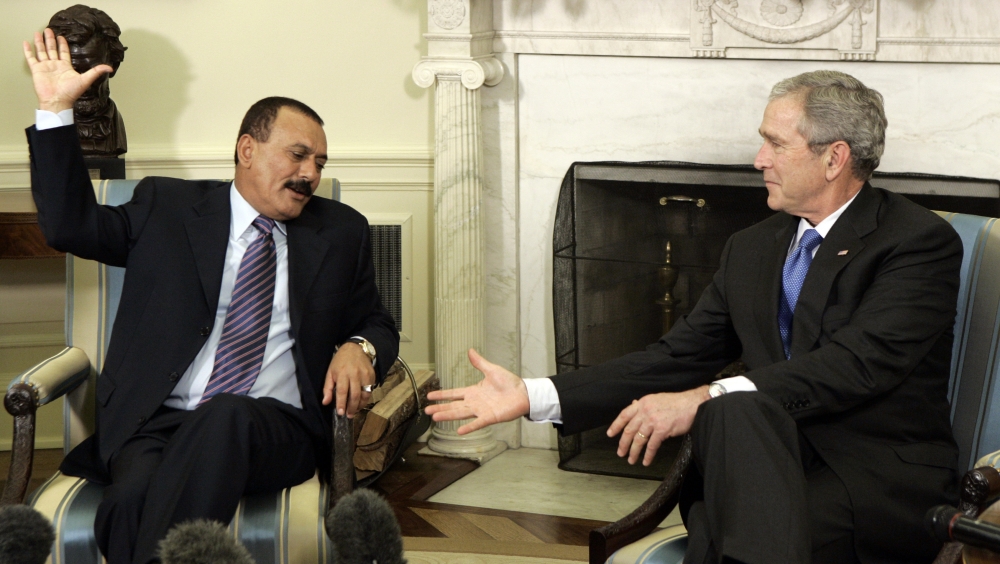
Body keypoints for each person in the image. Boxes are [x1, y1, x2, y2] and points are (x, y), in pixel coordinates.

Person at [427, 70, 962, 563]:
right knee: (734, 418)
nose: (758, 159)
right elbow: (674, 357)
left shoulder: (915, 242)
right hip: (759, 468)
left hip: (867, 476)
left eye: (775, 143)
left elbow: (854, 366)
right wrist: (533, 394)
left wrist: (704, 397)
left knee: (724, 453)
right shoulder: (752, 247)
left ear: (834, 157)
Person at [23, 28, 399, 564]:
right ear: (247, 149)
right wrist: (56, 110)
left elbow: (377, 321)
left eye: (320, 162)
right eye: (298, 155)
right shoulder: (167, 208)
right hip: (157, 422)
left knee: (227, 413)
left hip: (274, 427)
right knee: (128, 502)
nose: (311, 173)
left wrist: (359, 346)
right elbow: (69, 227)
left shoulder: (341, 231)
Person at [47, 4, 128, 156]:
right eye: (72, 71)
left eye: (93, 71)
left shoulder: (115, 129)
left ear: (114, 65)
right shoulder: (49, 133)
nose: (83, 84)